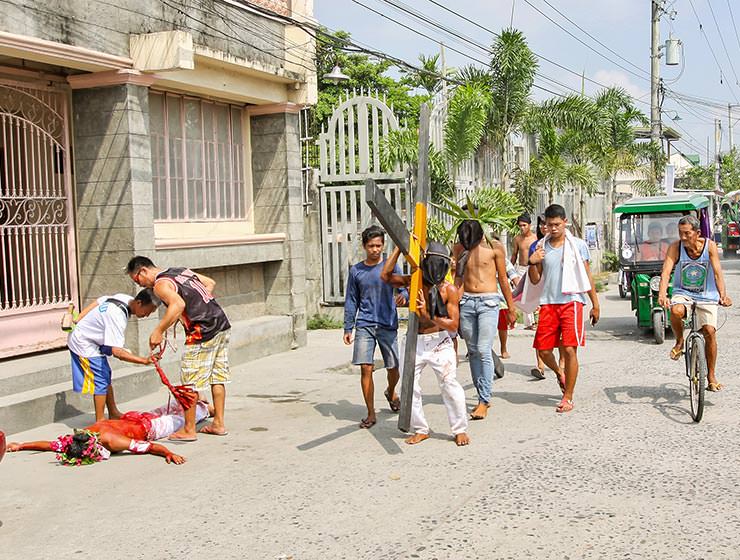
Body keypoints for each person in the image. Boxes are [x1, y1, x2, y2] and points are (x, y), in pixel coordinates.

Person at [127, 256, 231, 440]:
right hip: (221, 323)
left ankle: (189, 430)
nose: (140, 285)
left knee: (188, 382)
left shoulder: (160, 284)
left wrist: (159, 330)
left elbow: (178, 304)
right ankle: (218, 424)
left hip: (202, 330)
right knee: (218, 376)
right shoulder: (180, 271)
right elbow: (209, 283)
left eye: (137, 280)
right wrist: (195, 306)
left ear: (143, 271)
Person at [381, 242, 469, 446]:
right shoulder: (414, 281)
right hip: (415, 340)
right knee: (409, 385)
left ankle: (459, 429)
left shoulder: (449, 290)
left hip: (439, 342)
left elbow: (453, 324)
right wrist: (398, 247)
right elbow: (385, 276)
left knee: (449, 384)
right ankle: (421, 429)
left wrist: (427, 315)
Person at [527, 204, 600, 413]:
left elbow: (587, 275)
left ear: (565, 222)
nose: (553, 228)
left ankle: (567, 396)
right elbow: (535, 279)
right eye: (549, 225)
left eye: (557, 224)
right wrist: (532, 262)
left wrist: (595, 304)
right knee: (543, 350)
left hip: (572, 301)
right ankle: (560, 372)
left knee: (569, 349)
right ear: (545, 225)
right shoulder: (540, 247)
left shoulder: (577, 245)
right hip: (549, 303)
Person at [6, 399, 213, 465]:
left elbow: (148, 446)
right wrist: (21, 445)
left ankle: (205, 409)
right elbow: (49, 445)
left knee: (185, 417)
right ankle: (200, 403)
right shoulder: (77, 438)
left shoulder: (111, 441)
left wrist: (168, 453)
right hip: (133, 418)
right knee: (171, 409)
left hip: (149, 428)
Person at [658, 215, 732, 391]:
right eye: (680, 233)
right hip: (682, 293)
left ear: (697, 233)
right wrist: (662, 293)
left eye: (687, 234)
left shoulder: (710, 246)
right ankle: (679, 341)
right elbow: (666, 272)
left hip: (707, 295)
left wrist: (723, 295)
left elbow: (717, 273)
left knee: (710, 332)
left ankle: (711, 376)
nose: (683, 238)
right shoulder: (675, 247)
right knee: (675, 311)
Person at [343, 225, 407, 429]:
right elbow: (351, 300)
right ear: (364, 246)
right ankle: (370, 413)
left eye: (378, 245)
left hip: (388, 323)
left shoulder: (391, 266)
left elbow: (405, 287)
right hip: (365, 325)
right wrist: (348, 327)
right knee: (365, 368)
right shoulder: (357, 271)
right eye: (371, 246)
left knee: (394, 367)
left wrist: (403, 297)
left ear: (383, 245)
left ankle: (390, 390)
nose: (375, 249)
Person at [453, 220, 516, 420]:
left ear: (480, 236)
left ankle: (484, 399)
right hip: (467, 302)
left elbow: (503, 279)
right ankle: (482, 393)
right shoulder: (459, 248)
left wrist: (511, 307)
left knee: (483, 349)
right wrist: (452, 304)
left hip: (489, 302)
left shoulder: (495, 248)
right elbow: (459, 278)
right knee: (472, 351)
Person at [67, 289, 158, 422]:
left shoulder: (125, 298)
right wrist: (144, 361)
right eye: (148, 311)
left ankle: (113, 412)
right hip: (84, 342)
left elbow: (100, 299)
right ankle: (100, 421)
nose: (147, 315)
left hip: (93, 339)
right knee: (101, 379)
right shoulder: (117, 316)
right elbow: (117, 352)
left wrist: (78, 318)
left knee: (105, 374)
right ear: (139, 303)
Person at [527, 216, 565, 380]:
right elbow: (534, 277)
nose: (546, 227)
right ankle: (540, 366)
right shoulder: (536, 247)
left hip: (563, 298)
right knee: (540, 334)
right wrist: (532, 262)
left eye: (548, 224)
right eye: (543, 224)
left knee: (564, 336)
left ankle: (562, 365)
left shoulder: (568, 244)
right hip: (542, 297)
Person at [511, 213, 538, 329]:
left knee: (533, 294)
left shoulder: (536, 238)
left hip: (533, 268)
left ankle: (536, 321)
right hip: (521, 269)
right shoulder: (517, 239)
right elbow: (514, 255)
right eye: (520, 226)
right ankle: (528, 323)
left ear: (530, 225)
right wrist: (509, 270)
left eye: (524, 225)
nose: (522, 228)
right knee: (521, 295)